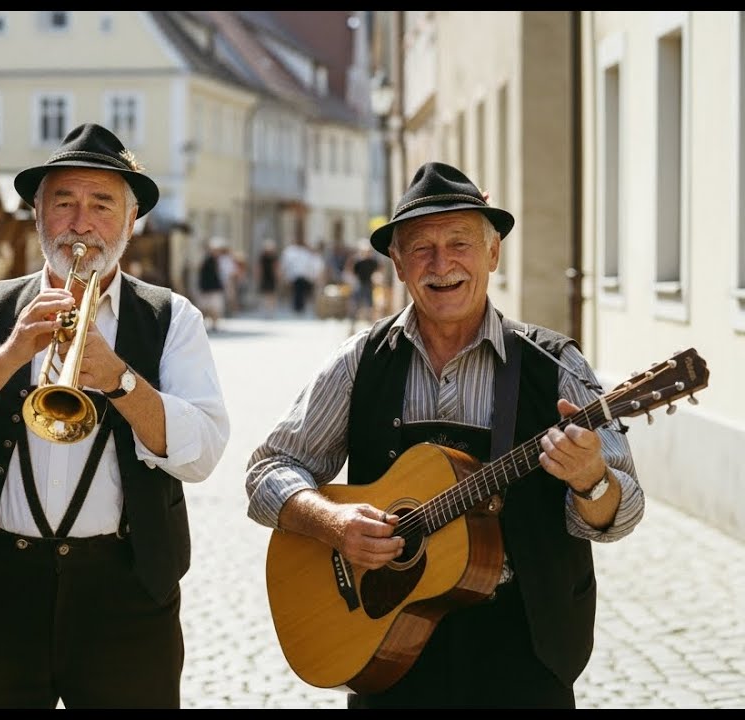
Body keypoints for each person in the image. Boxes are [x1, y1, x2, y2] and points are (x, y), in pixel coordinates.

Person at [245, 161, 644, 709]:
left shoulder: (555, 366)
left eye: (460, 243)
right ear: (398, 264)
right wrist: (331, 521)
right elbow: (268, 469)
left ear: (493, 254)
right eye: (422, 249)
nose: (442, 264)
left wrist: (591, 479)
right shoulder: (361, 362)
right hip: (387, 638)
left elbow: (621, 514)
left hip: (522, 645)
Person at [0, 123, 231, 709]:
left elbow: (202, 452)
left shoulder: (171, 317)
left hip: (126, 592)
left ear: (130, 223)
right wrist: (9, 357)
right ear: (38, 217)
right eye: (64, 203)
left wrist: (121, 382)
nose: (81, 225)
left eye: (102, 205)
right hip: (0, 587)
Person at [346, 245, 381, 332]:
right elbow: (351, 270)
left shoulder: (373, 261)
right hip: (359, 284)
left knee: (370, 306)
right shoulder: (358, 261)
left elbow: (379, 269)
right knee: (355, 306)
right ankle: (352, 327)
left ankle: (373, 328)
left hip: (369, 285)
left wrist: (377, 277)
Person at [279, 236, 318, 316]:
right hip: (294, 275)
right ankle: (297, 307)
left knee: (300, 291)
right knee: (296, 291)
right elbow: (286, 263)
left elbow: (309, 264)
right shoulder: (290, 251)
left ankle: (299, 307)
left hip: (302, 275)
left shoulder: (304, 252)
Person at [196, 236, 228, 331]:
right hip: (206, 287)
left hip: (215, 287)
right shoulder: (205, 259)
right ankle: (205, 324)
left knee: (215, 307)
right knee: (205, 307)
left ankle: (215, 324)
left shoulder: (220, 260)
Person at [255, 239, 280, 316]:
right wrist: (258, 276)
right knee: (265, 293)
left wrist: (278, 276)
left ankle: (271, 309)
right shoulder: (262, 257)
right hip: (265, 277)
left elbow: (276, 267)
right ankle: (266, 308)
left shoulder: (274, 257)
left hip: (271, 277)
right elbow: (259, 268)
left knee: (272, 293)